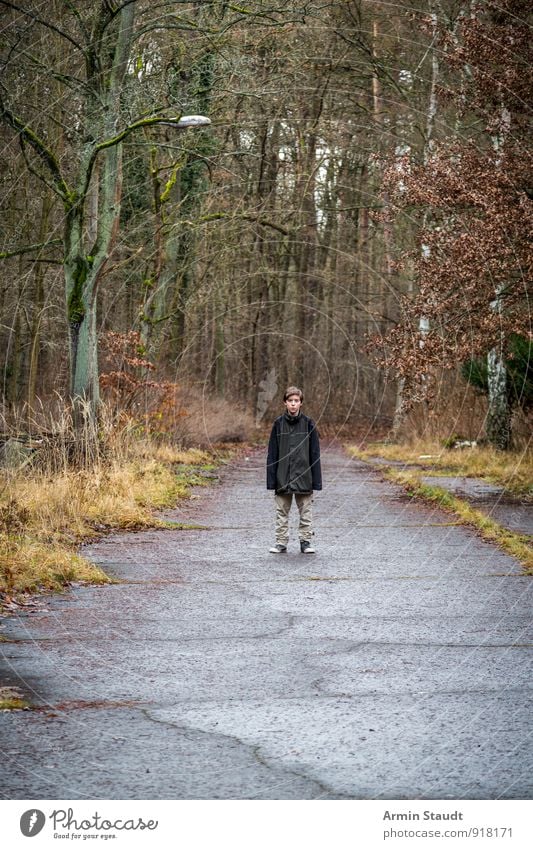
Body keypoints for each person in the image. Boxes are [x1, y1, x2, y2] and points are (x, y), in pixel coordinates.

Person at [266, 385, 322, 553]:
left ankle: (306, 542)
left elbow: (314, 453)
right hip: (282, 476)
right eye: (290, 401)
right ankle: (281, 542)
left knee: (306, 511)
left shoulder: (308, 424)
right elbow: (272, 453)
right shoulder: (278, 424)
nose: (293, 404)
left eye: (296, 401)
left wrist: (316, 481)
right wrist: (271, 480)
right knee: (281, 512)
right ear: (285, 402)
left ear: (301, 403)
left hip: (304, 476)